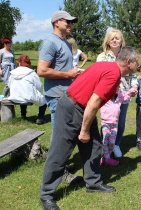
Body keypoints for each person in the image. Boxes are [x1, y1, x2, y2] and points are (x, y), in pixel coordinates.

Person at [39, 46, 139, 210]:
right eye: (137, 63)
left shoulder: (108, 66)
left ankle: (93, 182)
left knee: (94, 146)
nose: (138, 67)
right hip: (75, 108)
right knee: (61, 151)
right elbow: (93, 103)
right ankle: (46, 195)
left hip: (82, 108)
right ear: (128, 62)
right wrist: (84, 130)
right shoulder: (113, 73)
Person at [37, 11, 82, 185]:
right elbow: (41, 71)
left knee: (64, 134)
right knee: (59, 137)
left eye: (72, 22)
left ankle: (61, 165)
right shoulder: (50, 42)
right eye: (67, 21)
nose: (71, 24)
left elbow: (61, 68)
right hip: (56, 95)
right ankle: (59, 173)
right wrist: (67, 74)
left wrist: (72, 73)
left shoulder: (63, 42)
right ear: (56, 22)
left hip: (65, 94)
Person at [97, 27, 137, 158]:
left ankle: (116, 144)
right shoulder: (102, 57)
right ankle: (104, 145)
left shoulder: (126, 55)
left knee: (120, 122)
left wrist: (135, 85)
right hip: (107, 95)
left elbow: (133, 73)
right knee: (107, 121)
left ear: (121, 41)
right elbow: (98, 75)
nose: (114, 41)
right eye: (112, 38)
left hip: (124, 94)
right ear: (108, 41)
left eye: (117, 38)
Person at [100, 86, 137, 166]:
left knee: (112, 142)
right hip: (106, 123)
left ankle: (107, 156)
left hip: (114, 124)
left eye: (117, 86)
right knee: (105, 141)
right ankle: (106, 158)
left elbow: (126, 96)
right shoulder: (105, 95)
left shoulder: (120, 95)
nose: (115, 88)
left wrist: (132, 90)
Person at [7, 55, 47, 123]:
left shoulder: (13, 73)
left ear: (19, 63)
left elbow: (9, 85)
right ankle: (40, 118)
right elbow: (39, 86)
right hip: (28, 96)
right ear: (29, 64)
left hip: (14, 95)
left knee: (22, 95)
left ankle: (23, 115)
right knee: (44, 101)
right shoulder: (31, 73)